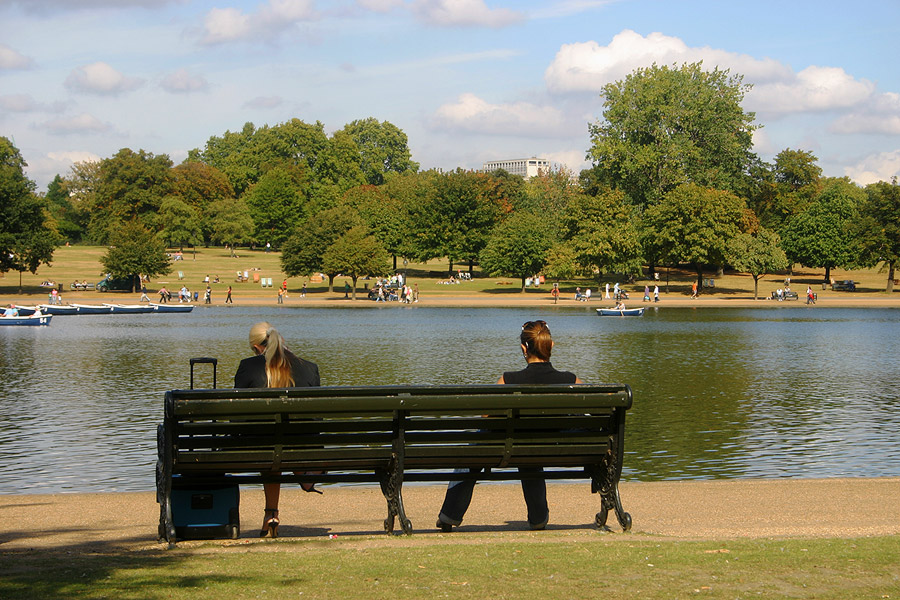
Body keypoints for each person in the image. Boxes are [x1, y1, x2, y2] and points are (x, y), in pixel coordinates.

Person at [436, 320, 582, 532]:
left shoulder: (508, 380)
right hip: (553, 449)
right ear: (551, 346)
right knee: (531, 455)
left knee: (475, 448)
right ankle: (538, 518)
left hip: (512, 448)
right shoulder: (571, 380)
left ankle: (449, 515)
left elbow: (485, 416)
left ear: (524, 348)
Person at [234, 322, 321, 538]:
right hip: (301, 445)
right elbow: (317, 418)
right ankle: (303, 474)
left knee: (270, 444)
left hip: (261, 446)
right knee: (286, 441)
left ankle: (271, 514)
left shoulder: (247, 366)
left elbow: (236, 416)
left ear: (256, 348)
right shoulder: (309, 367)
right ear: (281, 341)